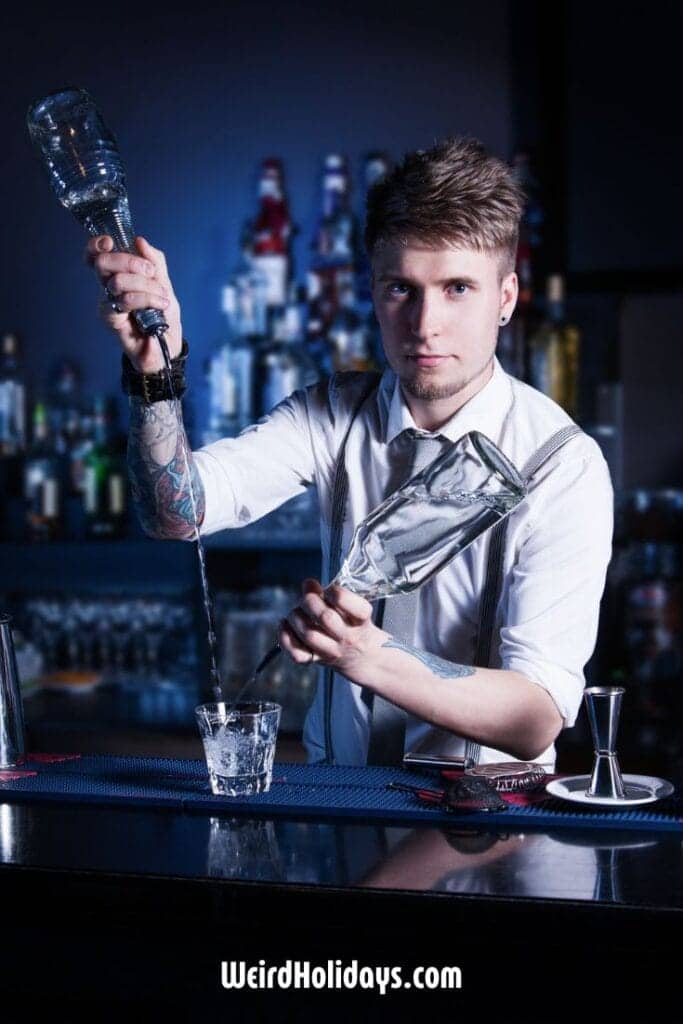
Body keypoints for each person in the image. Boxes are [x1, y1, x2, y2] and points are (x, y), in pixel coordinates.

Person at [86, 136, 613, 768]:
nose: (425, 324)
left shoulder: (561, 464)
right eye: (401, 289)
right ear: (371, 289)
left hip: (488, 826)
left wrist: (366, 655)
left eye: (457, 289)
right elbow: (178, 514)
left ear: (505, 298)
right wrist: (154, 374)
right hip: (337, 808)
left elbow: (536, 717)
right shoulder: (331, 412)